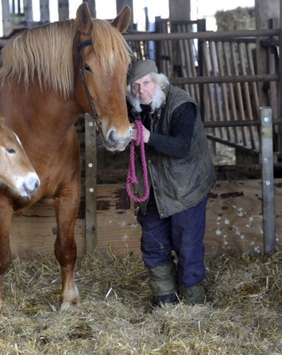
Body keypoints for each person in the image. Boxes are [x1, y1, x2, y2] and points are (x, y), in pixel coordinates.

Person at [125, 59, 216, 307]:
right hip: (153, 187)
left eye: (146, 83)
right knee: (153, 243)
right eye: (134, 86)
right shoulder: (134, 107)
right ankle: (165, 303)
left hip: (186, 187)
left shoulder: (181, 104)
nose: (141, 90)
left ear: (158, 81)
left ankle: (193, 304)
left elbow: (182, 147)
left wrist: (148, 137)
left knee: (187, 244)